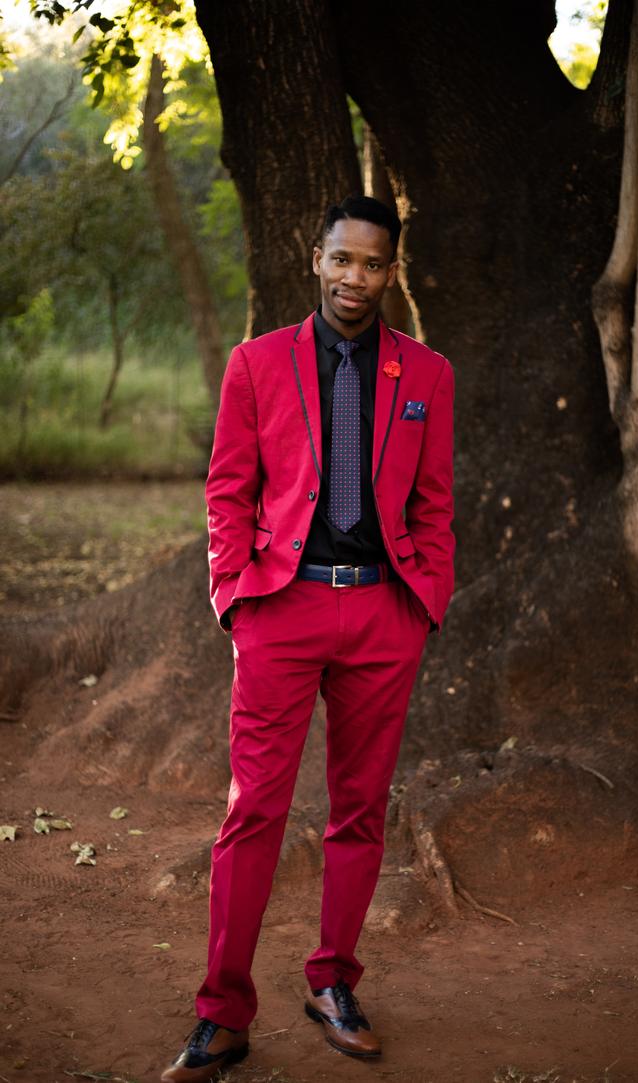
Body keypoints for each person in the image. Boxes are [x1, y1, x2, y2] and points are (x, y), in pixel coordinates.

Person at [160, 195, 455, 1082]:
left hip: (381, 613)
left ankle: (332, 981)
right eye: (341, 260)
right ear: (315, 260)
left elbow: (435, 502)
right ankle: (223, 1012)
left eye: (373, 264)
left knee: (361, 812)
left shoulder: (428, 375)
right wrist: (235, 597)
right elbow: (227, 491)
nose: (354, 279)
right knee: (255, 810)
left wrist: (423, 602)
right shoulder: (256, 364)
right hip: (280, 609)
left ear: (390, 272)